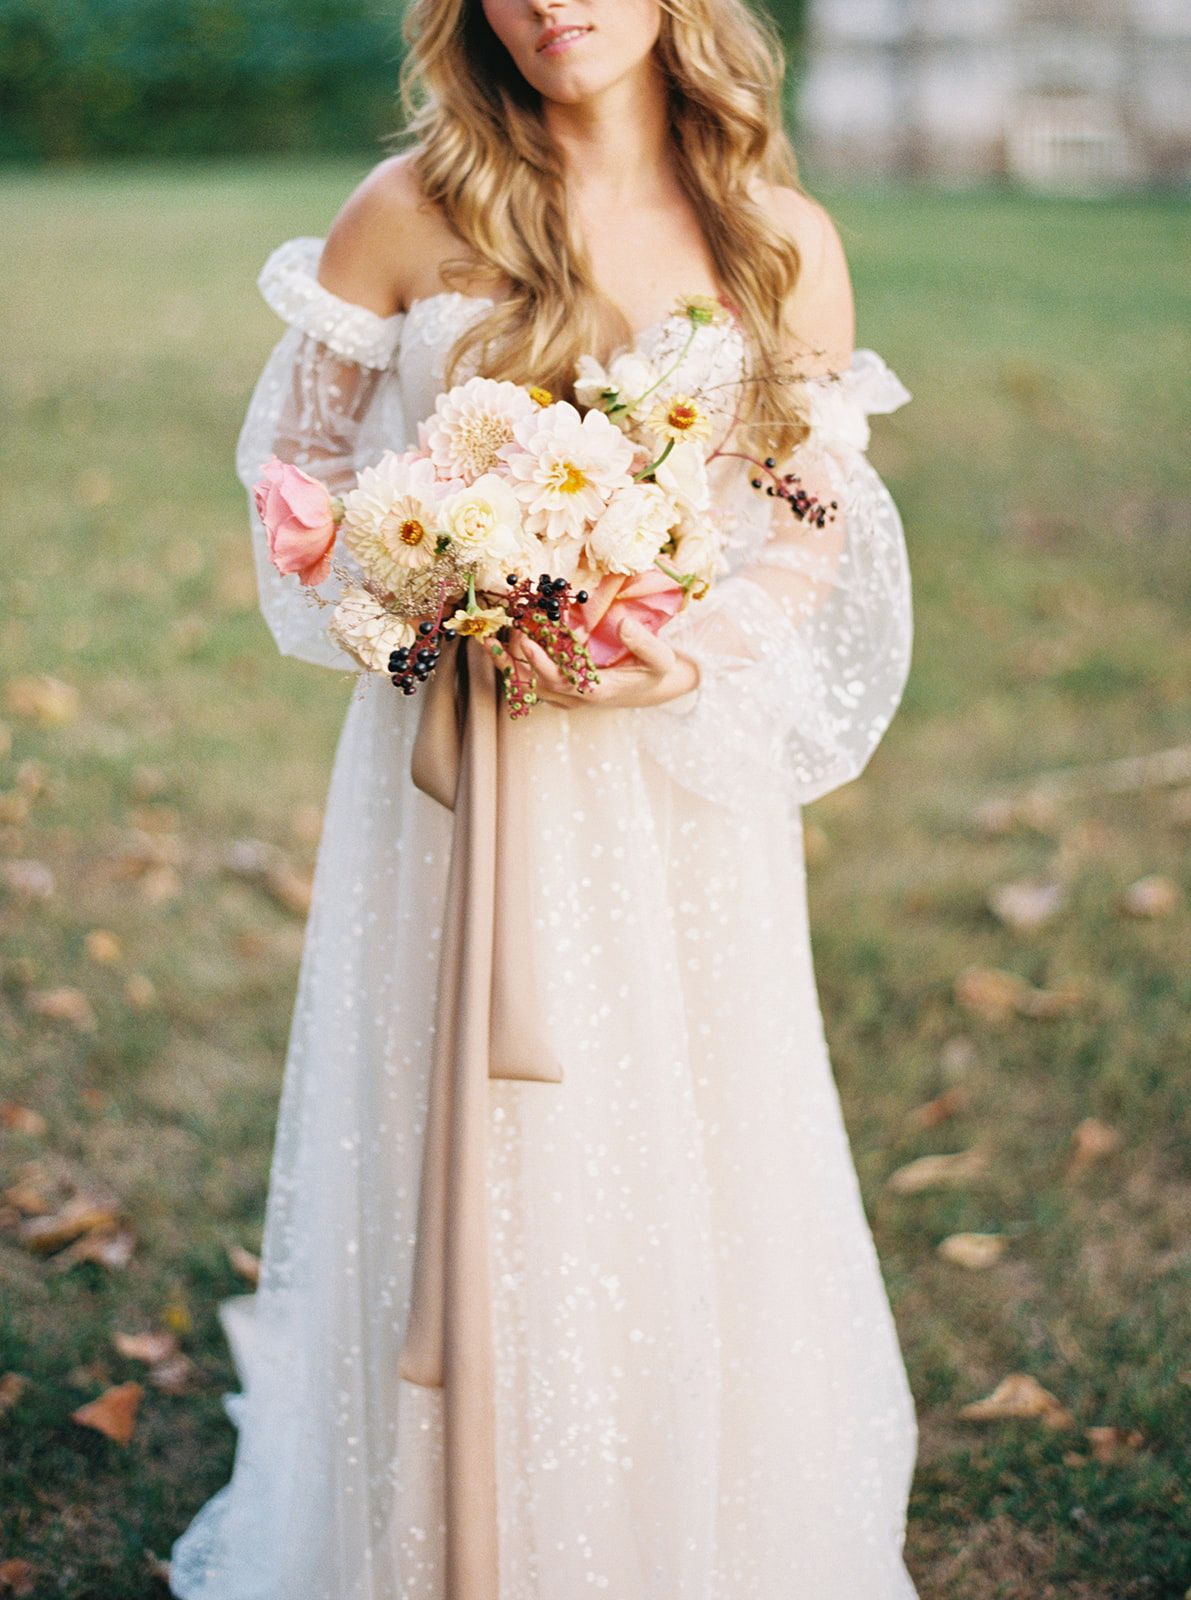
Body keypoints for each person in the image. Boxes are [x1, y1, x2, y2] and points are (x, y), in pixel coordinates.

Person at [169, 0, 919, 1595]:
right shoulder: (410, 211)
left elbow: (805, 528)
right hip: (454, 773)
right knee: (456, 1130)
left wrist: (676, 654)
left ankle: (668, 1519)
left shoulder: (777, 238)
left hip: (671, 786)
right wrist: (422, 579)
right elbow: (293, 479)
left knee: (677, 1127)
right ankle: (438, 1532)